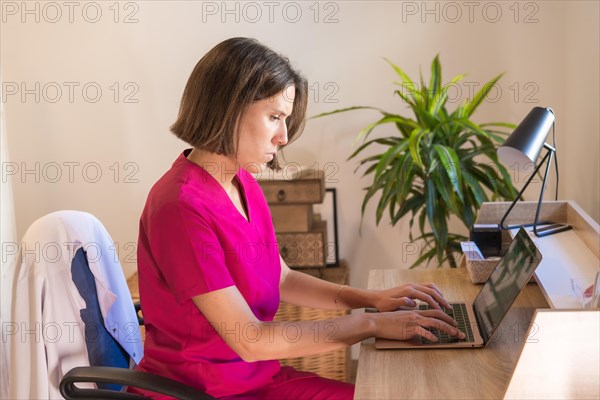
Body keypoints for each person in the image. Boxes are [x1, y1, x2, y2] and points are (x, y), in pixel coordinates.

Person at [133, 37, 465, 399]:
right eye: (274, 117)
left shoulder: (242, 181)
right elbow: (251, 341)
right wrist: (368, 322)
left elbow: (282, 278)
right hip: (208, 392)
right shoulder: (180, 207)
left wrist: (371, 298)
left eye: (285, 120)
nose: (284, 136)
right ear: (227, 108)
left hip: (259, 381)